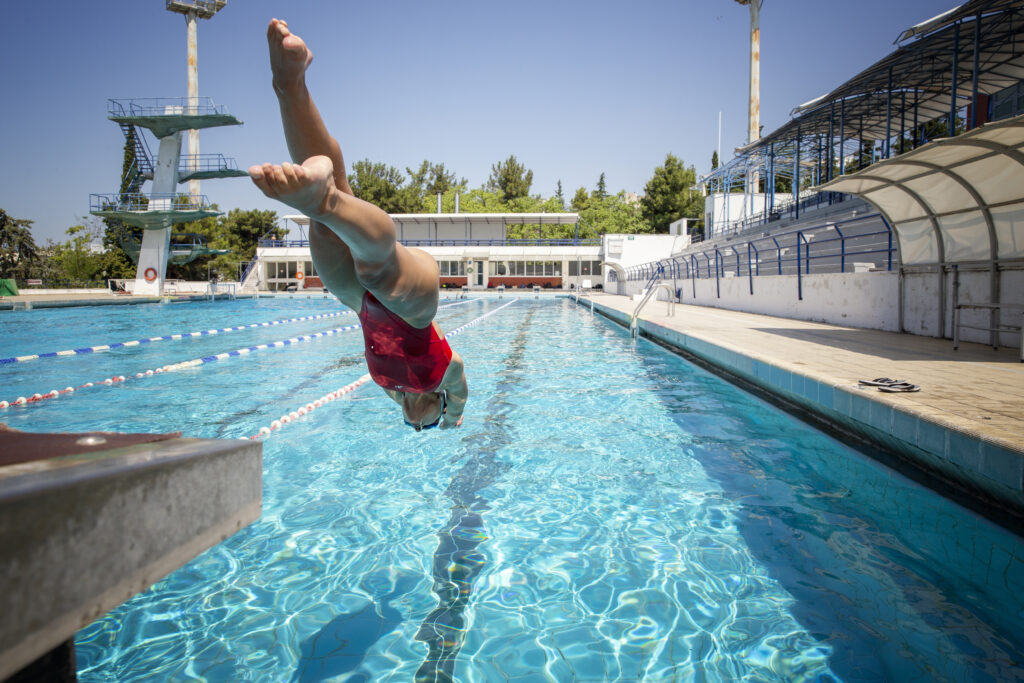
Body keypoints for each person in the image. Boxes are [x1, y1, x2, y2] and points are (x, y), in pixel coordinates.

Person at [249, 18, 466, 431]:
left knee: (327, 225)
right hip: (415, 305)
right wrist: (453, 419)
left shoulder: (391, 389)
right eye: (429, 420)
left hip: (359, 304)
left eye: (413, 424)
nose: (418, 422)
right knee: (382, 272)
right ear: (439, 403)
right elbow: (461, 397)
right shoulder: (447, 377)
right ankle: (324, 199)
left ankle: (289, 84)